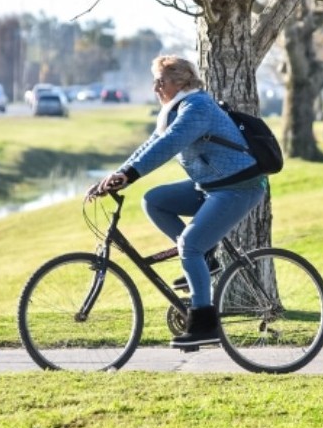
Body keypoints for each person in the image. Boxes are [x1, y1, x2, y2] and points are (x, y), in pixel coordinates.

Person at [88, 55, 267, 352]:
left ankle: (205, 324)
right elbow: (150, 144)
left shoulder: (197, 108)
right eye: (155, 80)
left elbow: (168, 144)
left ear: (181, 82)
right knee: (154, 201)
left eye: (161, 81)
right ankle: (205, 260)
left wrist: (129, 175)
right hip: (211, 185)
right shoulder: (175, 110)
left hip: (238, 187)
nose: (156, 87)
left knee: (190, 244)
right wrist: (117, 175)